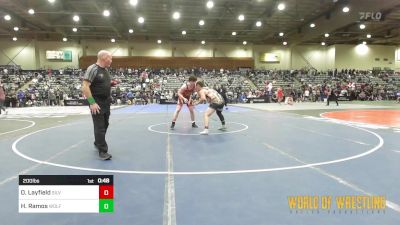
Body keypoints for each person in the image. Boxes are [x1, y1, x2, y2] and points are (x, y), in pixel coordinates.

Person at [81, 50, 113, 160]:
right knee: (99, 127)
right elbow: (85, 86)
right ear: (104, 58)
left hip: (106, 102)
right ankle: (103, 151)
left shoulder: (105, 70)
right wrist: (92, 102)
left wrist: (111, 83)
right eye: (110, 58)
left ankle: (97, 142)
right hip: (97, 103)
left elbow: (100, 83)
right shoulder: (93, 69)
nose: (111, 60)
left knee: (105, 125)